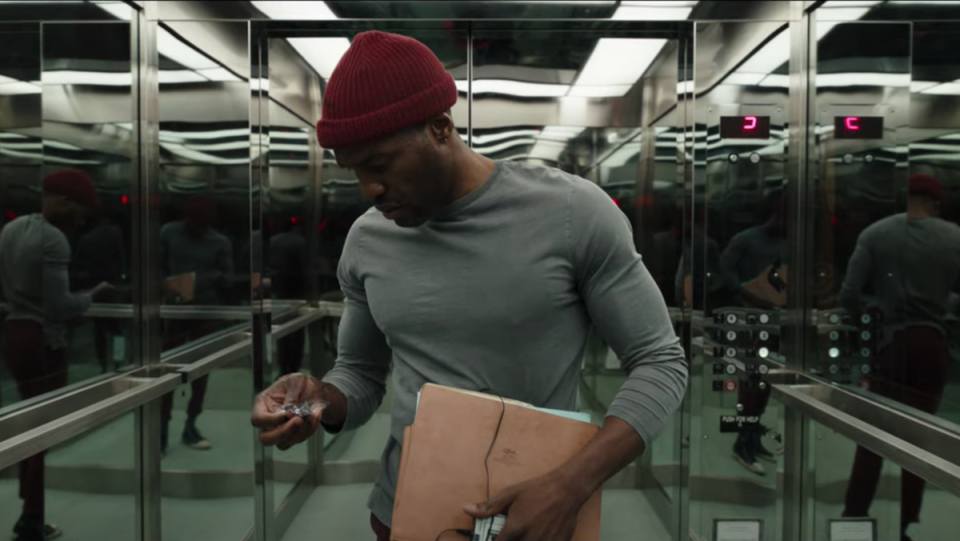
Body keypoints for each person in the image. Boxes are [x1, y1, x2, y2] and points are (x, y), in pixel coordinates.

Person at [250, 30, 687, 541]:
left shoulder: (572, 214)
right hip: (405, 513)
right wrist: (316, 399)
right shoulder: (368, 240)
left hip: (535, 515)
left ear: (440, 128)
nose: (370, 189)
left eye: (380, 164)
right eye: (353, 171)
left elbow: (660, 362)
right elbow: (361, 375)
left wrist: (570, 486)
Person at [839, 173, 960, 541]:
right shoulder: (955, 237)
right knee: (919, 438)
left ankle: (855, 518)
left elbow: (849, 293)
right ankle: (905, 525)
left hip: (891, 346)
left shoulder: (875, 234)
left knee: (873, 433)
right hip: (933, 346)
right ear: (936, 203)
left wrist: (874, 316)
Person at [0, 169, 114, 541]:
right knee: (43, 430)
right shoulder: (54, 240)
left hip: (14, 332)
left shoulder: (12, 229)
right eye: (80, 209)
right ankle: (32, 518)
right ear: (63, 200)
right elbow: (59, 305)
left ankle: (28, 504)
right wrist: (94, 294)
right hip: (41, 340)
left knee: (29, 423)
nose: (81, 219)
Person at [158, 195, 234, 454]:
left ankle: (191, 424)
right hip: (176, 309)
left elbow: (229, 277)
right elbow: (156, 266)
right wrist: (164, 287)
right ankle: (162, 426)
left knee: (201, 372)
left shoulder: (219, 241)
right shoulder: (168, 232)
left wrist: (216, 277)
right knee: (166, 369)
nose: (198, 227)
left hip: (205, 309)